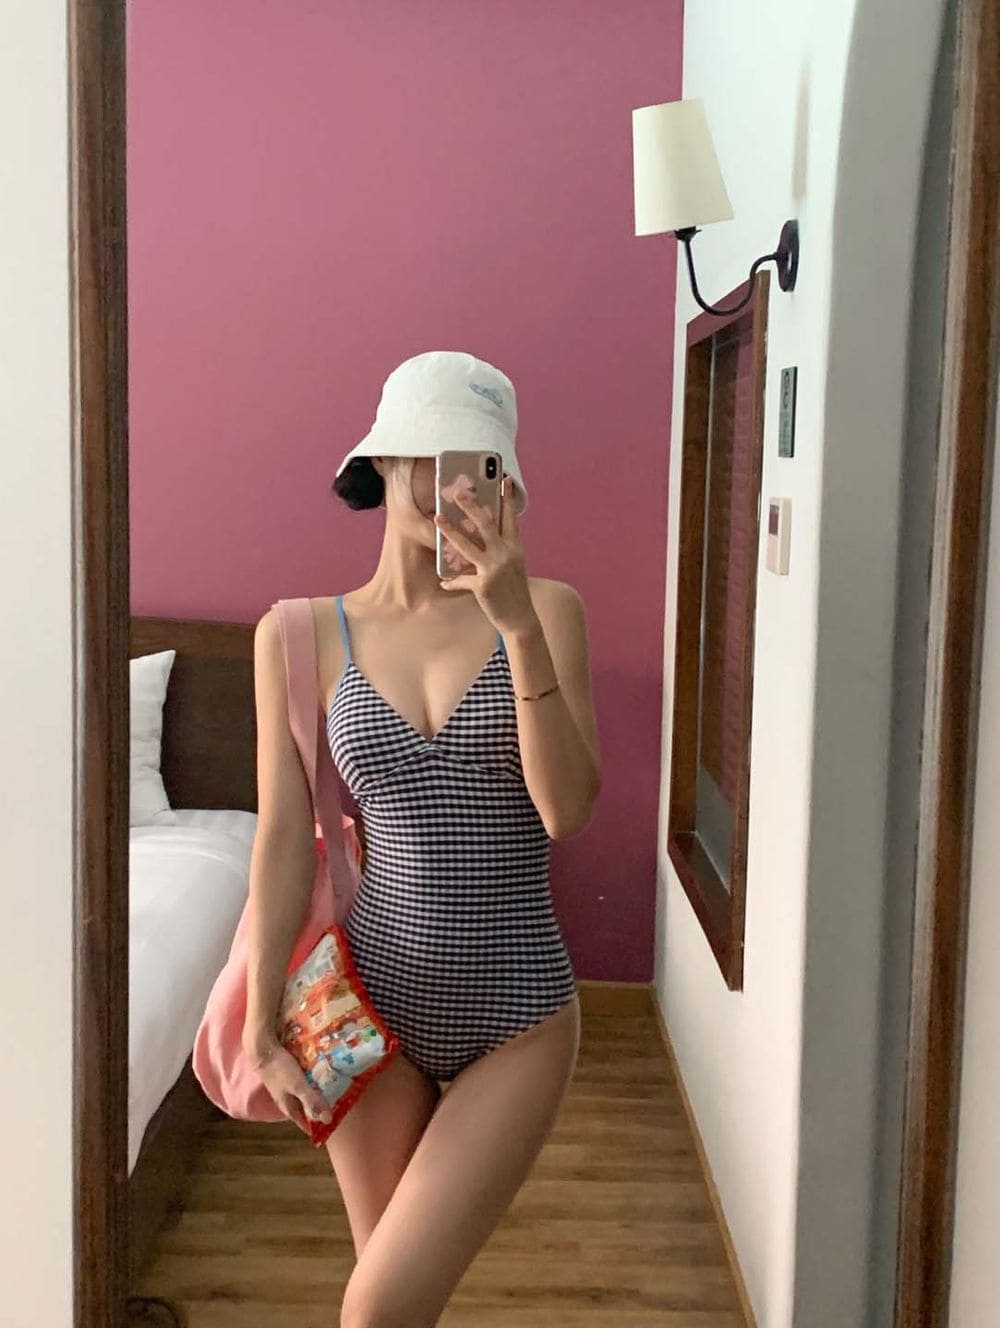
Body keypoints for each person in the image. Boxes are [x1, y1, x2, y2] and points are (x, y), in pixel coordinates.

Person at [242, 350, 601, 1327]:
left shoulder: (548, 610)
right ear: (381, 461)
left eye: (477, 464)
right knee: (398, 1303)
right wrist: (261, 1020)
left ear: (505, 479)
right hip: (367, 1011)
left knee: (379, 1308)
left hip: (519, 1015)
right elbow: (284, 837)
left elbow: (567, 810)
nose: (452, 486)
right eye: (429, 456)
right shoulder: (297, 634)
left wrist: (516, 627)